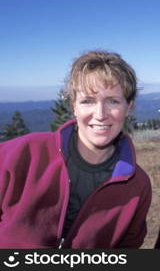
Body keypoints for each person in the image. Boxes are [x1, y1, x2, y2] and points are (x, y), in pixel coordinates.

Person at [0, 51, 152, 248]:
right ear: (74, 106)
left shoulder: (137, 185)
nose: (100, 114)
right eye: (87, 101)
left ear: (128, 107)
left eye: (113, 101)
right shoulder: (20, 154)